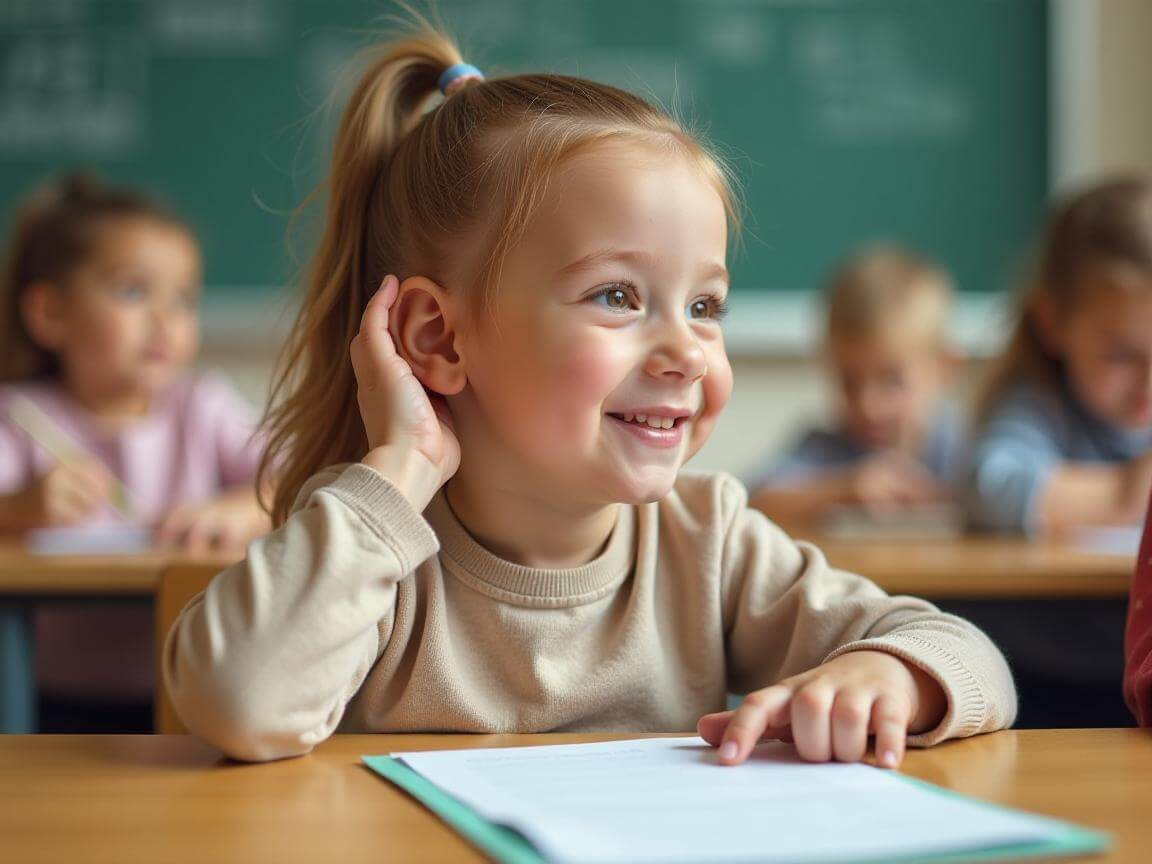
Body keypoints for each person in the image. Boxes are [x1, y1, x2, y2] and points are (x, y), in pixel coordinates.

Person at [165, 23, 1015, 764]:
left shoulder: (709, 543)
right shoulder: (369, 544)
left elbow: (971, 658)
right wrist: (398, 468)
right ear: (437, 337)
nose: (686, 349)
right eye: (617, 296)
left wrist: (891, 675)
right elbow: (240, 700)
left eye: (706, 305)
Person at [0, 173, 269, 730]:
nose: (166, 319)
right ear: (50, 314)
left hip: (187, 699)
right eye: (133, 291)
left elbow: (305, 477)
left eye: (183, 298)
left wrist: (244, 507)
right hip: (38, 701)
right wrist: (19, 505)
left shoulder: (203, 406)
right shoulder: (20, 417)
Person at [966, 176, 1152, 536]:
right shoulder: (1038, 403)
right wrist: (1126, 494)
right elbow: (985, 489)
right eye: (1120, 355)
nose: (1148, 382)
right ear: (1053, 323)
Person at [749, 247, 960, 525]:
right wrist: (842, 489)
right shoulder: (824, 449)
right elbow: (754, 501)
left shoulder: (965, 448)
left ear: (944, 368)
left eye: (891, 380)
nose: (868, 405)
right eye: (849, 382)